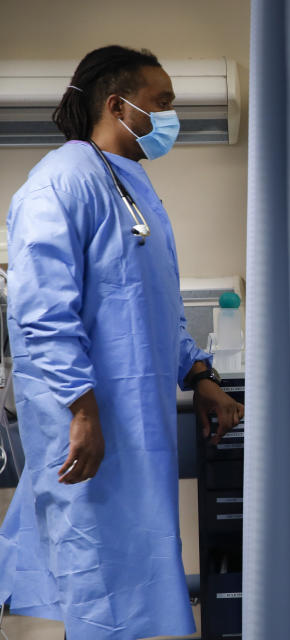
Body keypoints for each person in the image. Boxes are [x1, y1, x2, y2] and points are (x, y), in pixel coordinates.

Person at [0, 46, 243, 639]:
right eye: (161, 103)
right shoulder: (59, 184)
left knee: (131, 571)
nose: (169, 117)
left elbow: (155, 308)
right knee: (96, 576)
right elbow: (41, 311)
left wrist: (201, 374)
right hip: (89, 424)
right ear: (118, 105)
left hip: (133, 425)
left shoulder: (129, 187)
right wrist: (80, 407)